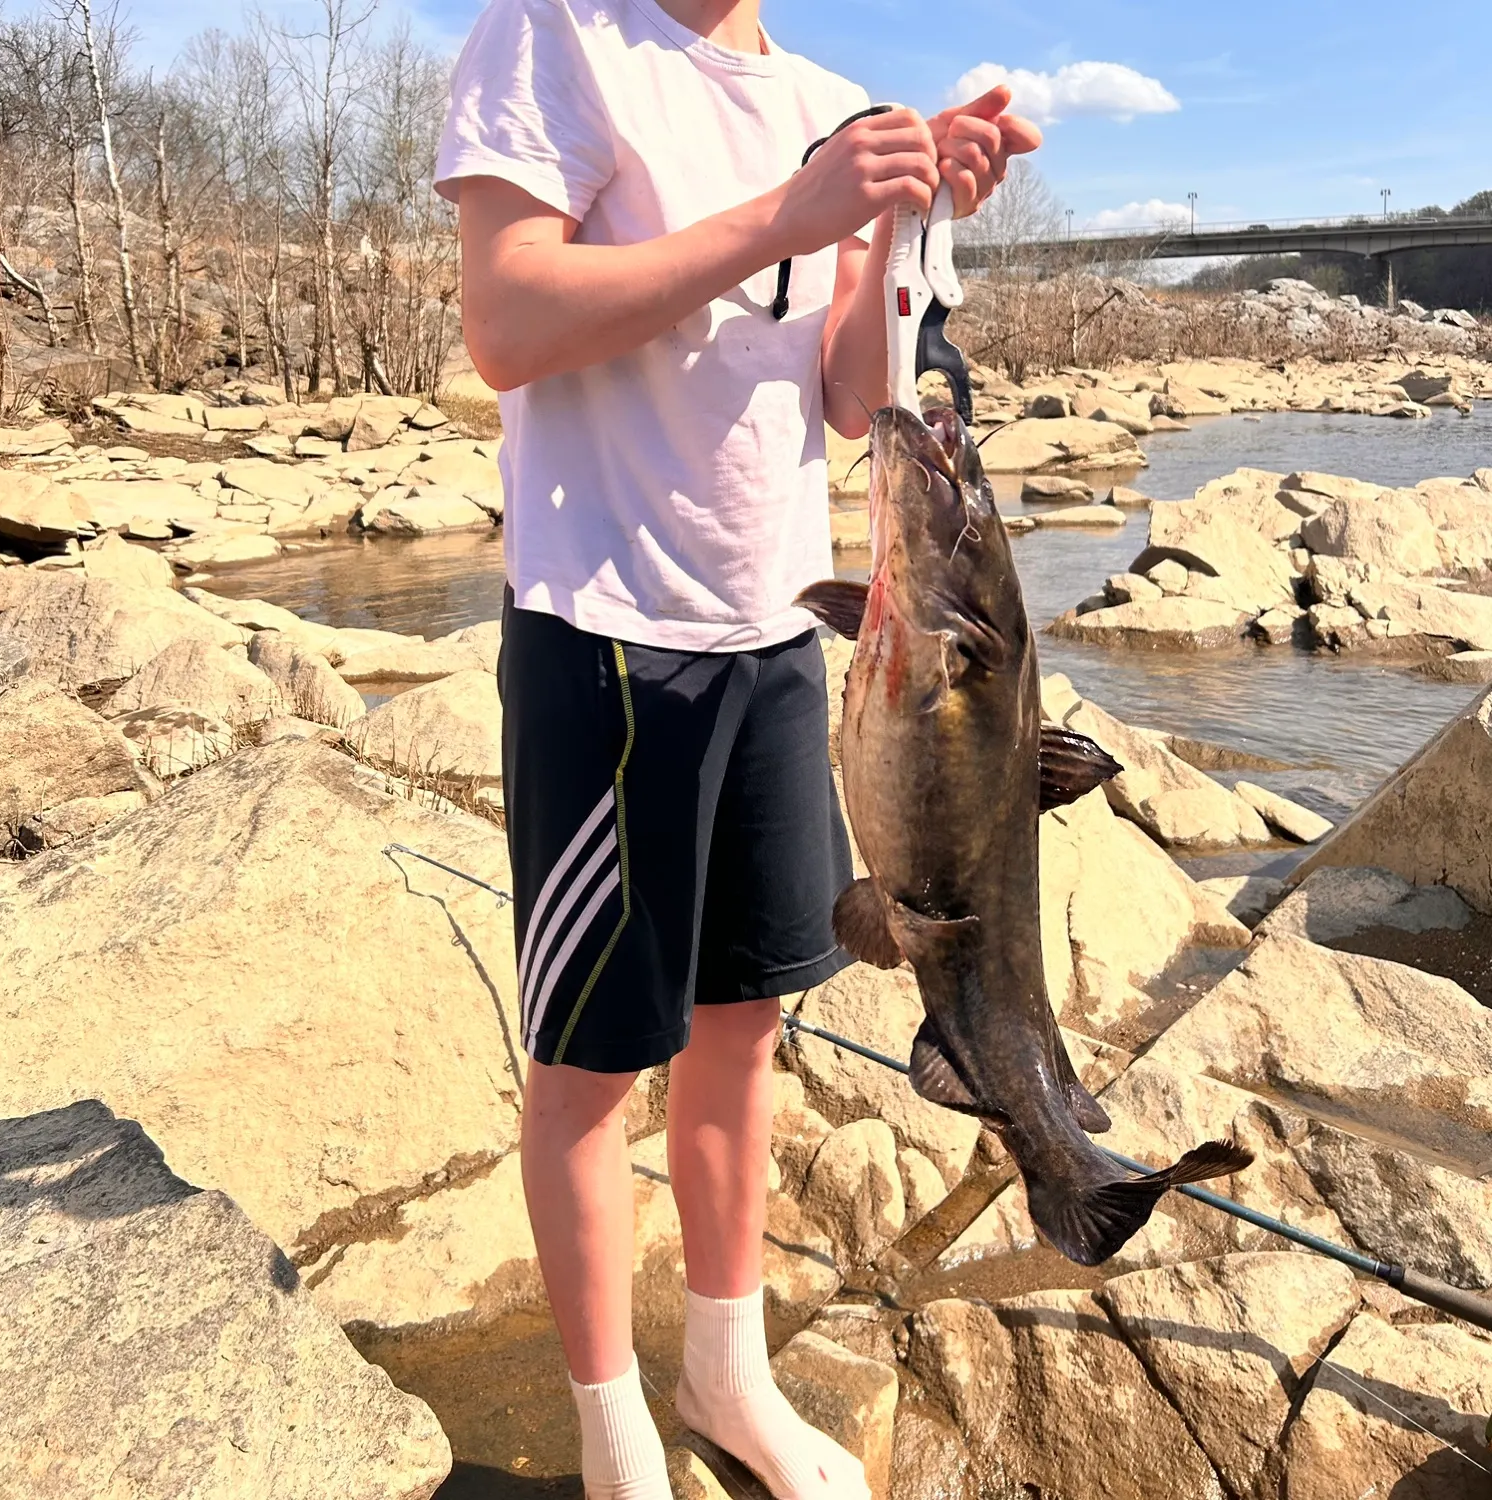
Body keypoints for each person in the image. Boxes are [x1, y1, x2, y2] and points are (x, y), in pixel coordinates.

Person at [434, 3, 1039, 1496]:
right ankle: (608, 1430)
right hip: (603, 637)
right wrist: (790, 209)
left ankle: (726, 1372)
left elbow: (849, 396)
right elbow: (505, 322)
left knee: (744, 1032)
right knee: (588, 1066)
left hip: (781, 641)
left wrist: (906, 233)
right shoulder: (555, 35)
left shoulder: (826, 99)